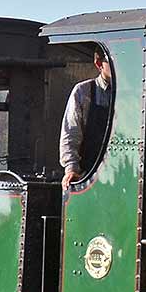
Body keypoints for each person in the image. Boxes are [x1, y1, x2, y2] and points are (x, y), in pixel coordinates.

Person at [60, 48, 113, 189]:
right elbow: (70, 133)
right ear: (98, 63)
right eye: (112, 61)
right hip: (89, 173)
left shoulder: (133, 93)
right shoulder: (83, 92)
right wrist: (71, 169)